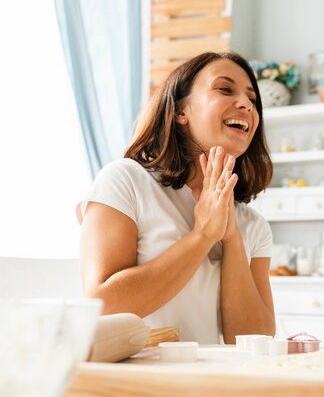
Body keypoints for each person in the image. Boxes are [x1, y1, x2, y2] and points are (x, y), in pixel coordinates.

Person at [76, 52, 276, 344]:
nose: (246, 104)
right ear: (181, 111)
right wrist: (204, 234)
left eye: (253, 100)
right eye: (224, 89)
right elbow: (102, 307)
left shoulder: (253, 226)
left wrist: (231, 237)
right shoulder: (125, 182)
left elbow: (254, 341)